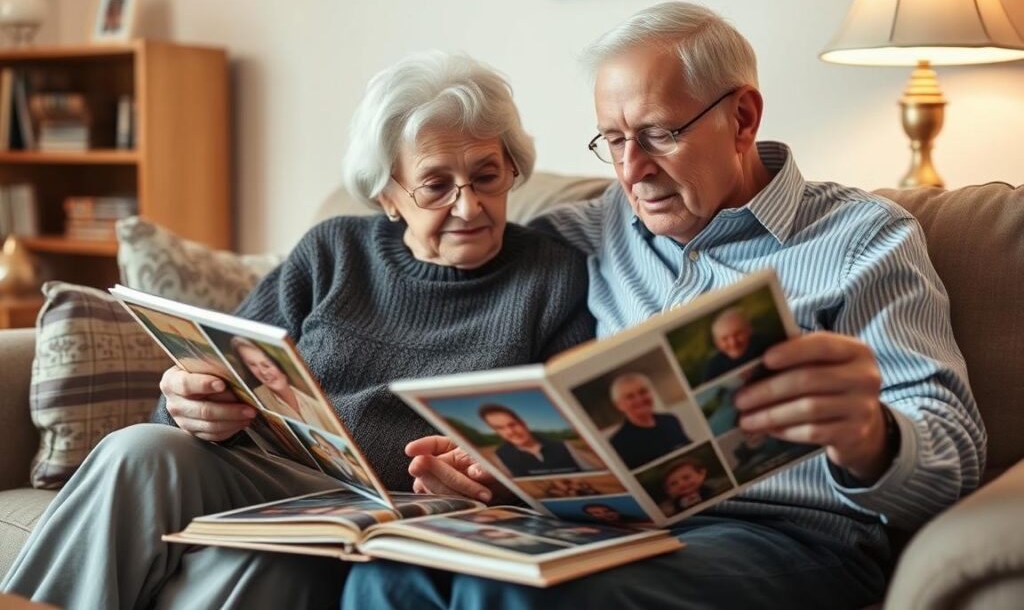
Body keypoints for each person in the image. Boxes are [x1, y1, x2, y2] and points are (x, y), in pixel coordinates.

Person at [351, 2, 986, 609]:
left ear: (742, 117)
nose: (633, 171)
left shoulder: (864, 239)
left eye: (658, 134)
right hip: (609, 526)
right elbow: (450, 247)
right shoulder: (597, 228)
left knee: (514, 595)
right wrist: (486, 459)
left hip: (787, 535)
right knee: (390, 577)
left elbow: (955, 457)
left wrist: (871, 435)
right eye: (613, 140)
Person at [2, 50, 595, 608]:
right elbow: (218, 370)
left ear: (513, 169)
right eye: (436, 185)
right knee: (141, 449)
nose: (468, 207)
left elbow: (576, 454)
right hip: (278, 473)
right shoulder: (333, 251)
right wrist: (188, 404)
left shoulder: (554, 276)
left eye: (486, 176)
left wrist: (494, 474)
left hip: (414, 510)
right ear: (388, 194)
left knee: (267, 565)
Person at [229, 335, 337, 430]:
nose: (263, 372)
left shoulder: (317, 405)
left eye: (266, 363)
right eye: (253, 365)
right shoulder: (256, 401)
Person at [479, 403, 588, 477]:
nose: (510, 432)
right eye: (500, 428)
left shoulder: (564, 446)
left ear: (523, 423)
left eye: (512, 424)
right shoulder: (499, 457)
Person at [607, 372, 690, 468]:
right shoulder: (618, 443)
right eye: (630, 397)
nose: (639, 399)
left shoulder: (670, 420)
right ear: (619, 405)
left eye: (643, 392)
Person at [701, 307, 773, 381]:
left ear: (749, 330)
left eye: (738, 334)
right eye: (725, 339)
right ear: (717, 343)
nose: (733, 343)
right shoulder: (713, 366)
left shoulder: (768, 343)